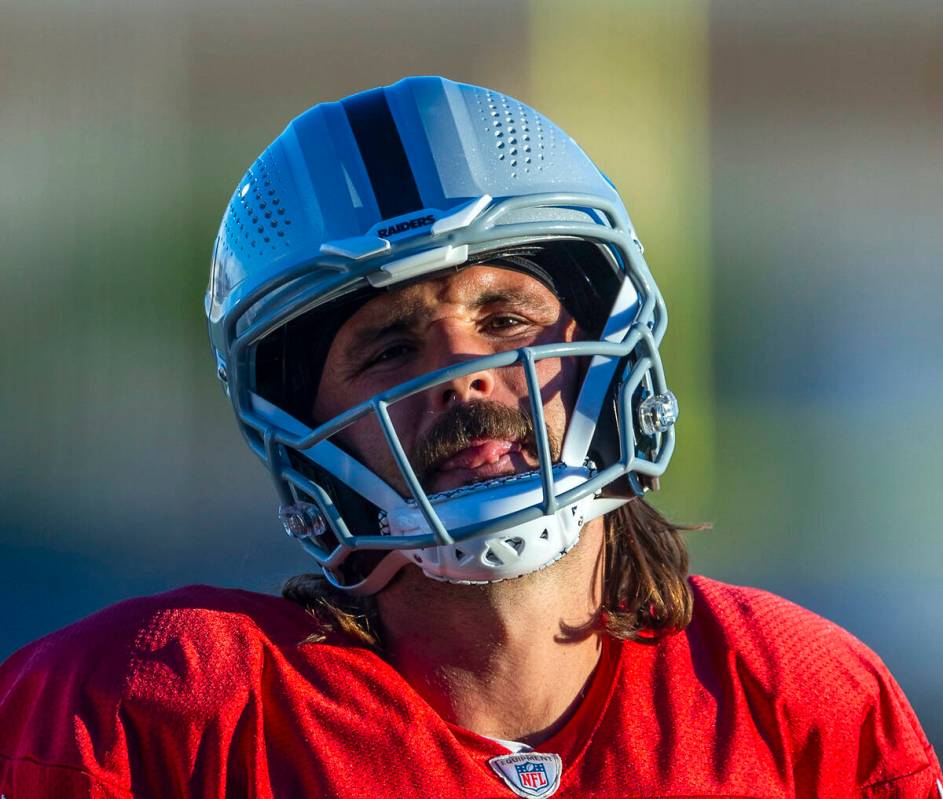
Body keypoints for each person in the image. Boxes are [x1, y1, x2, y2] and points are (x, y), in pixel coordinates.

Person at [0, 76, 939, 798]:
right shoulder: (155, 709)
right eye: (390, 345)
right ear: (298, 424)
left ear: (605, 342)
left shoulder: (796, 696)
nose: (465, 374)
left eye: (504, 316)